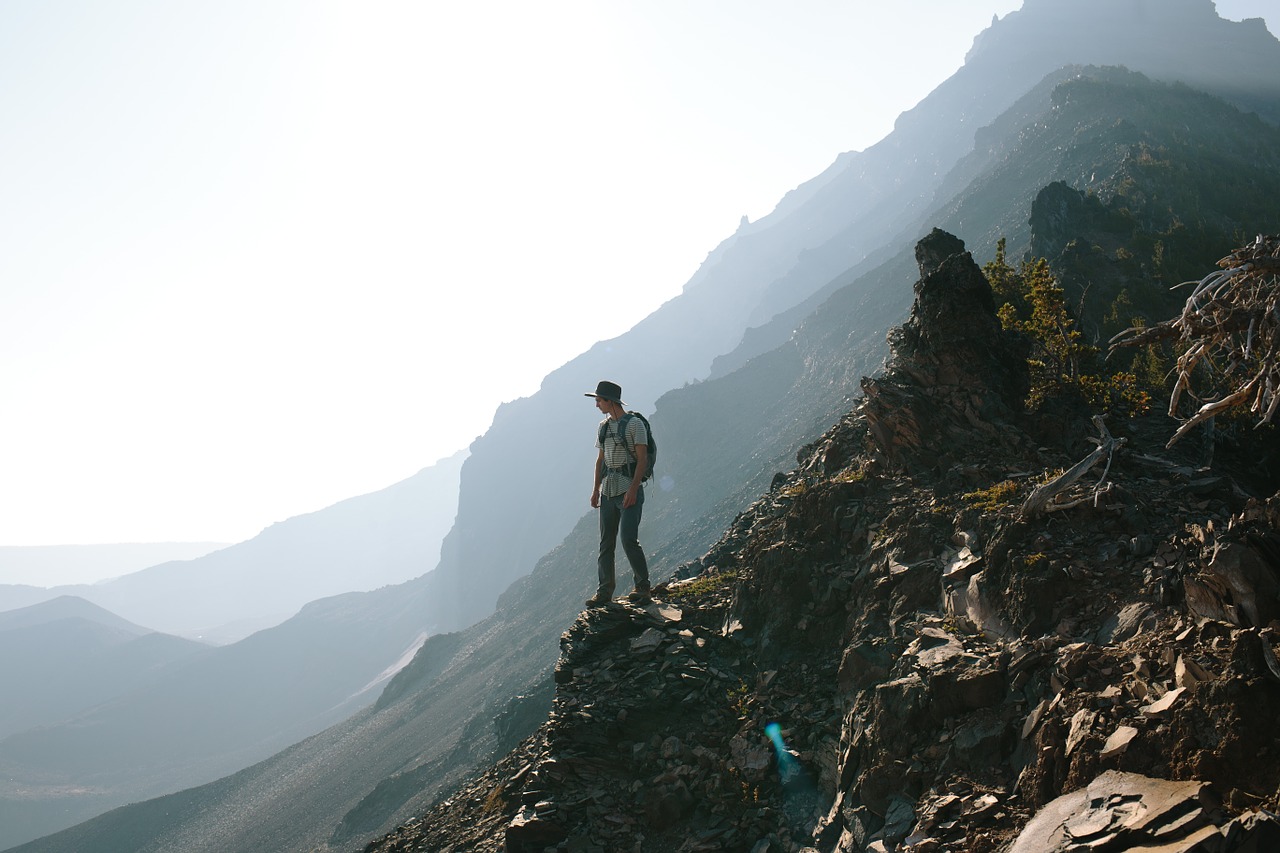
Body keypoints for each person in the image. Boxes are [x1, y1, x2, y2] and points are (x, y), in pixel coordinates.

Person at [584, 380, 651, 606]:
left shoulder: (634, 425)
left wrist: (633, 490)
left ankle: (643, 587)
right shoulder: (603, 427)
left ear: (610, 401)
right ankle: (604, 592)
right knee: (606, 544)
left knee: (628, 539)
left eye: (599, 400)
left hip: (628, 491)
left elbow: (643, 459)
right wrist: (595, 490)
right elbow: (600, 460)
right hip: (608, 492)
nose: (596, 405)